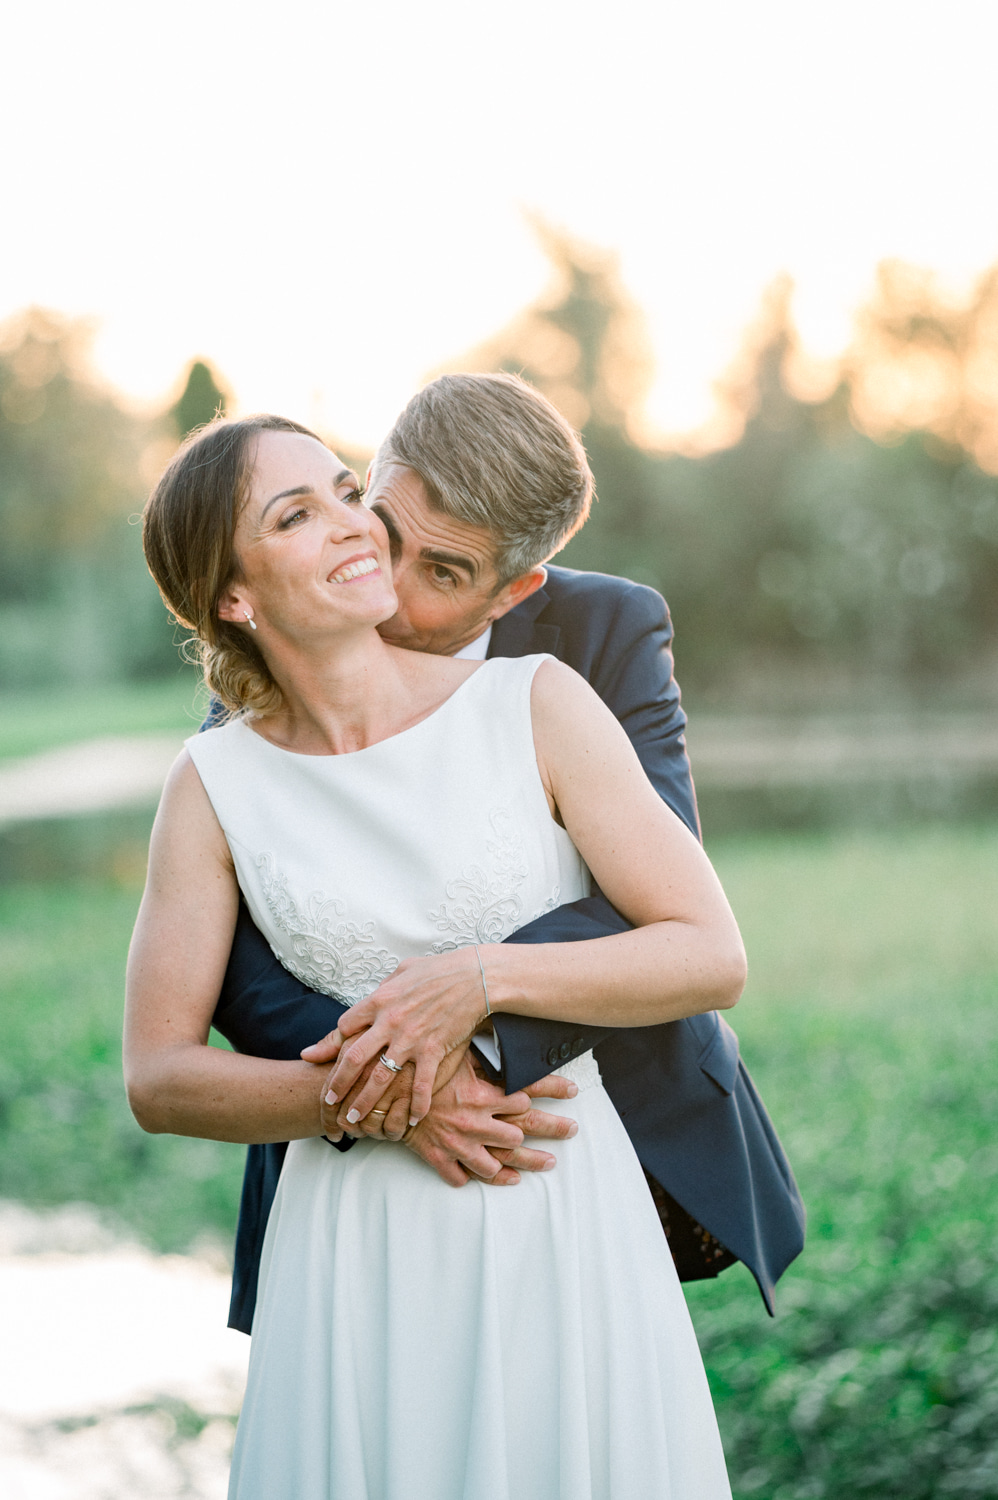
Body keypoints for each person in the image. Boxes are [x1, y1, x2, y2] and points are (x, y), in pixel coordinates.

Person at [126, 411, 746, 1497]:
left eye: (339, 488)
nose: (353, 527)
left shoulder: (542, 697)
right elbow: (159, 1075)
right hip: (352, 1223)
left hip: (554, 1194)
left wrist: (474, 982)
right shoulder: (214, 778)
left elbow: (702, 948)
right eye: (298, 512)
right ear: (235, 598)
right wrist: (372, 1101)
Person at [214, 373, 805, 1337]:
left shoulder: (603, 635)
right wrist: (396, 1089)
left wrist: (476, 1013)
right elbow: (238, 946)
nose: (386, 586)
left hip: (581, 1124)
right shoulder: (291, 619)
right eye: (383, 527)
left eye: (443, 572)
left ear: (516, 586)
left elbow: (648, 898)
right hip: (349, 1157)